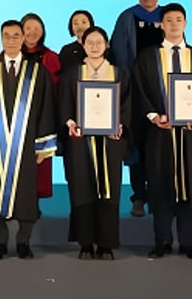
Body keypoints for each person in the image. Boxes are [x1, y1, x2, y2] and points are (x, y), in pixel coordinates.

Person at [0, 20, 57, 260]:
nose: (11, 40)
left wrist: (43, 146)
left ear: (23, 39)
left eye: (15, 35)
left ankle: (23, 242)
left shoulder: (37, 72)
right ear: (1, 39)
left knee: (27, 198)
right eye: (6, 36)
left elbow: (46, 109)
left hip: (26, 147)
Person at [133, 3, 192, 260]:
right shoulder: (147, 56)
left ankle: (189, 242)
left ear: (185, 23)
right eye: (169, 20)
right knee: (160, 184)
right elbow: (140, 90)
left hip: (191, 133)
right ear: (161, 25)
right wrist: (154, 116)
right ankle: (162, 240)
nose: (174, 24)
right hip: (160, 132)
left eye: (179, 19)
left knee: (190, 186)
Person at [60, 26, 131, 260]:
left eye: (99, 42)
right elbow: (64, 103)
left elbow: (126, 106)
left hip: (110, 142)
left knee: (108, 190)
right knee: (82, 189)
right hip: (81, 141)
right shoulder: (72, 73)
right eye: (89, 42)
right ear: (82, 45)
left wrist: (120, 125)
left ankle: (106, 243)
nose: (94, 46)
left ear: (107, 45)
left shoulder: (119, 74)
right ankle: (85, 243)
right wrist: (70, 121)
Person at [109, 0, 163, 218]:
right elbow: (119, 56)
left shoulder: (168, 16)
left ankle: (161, 196)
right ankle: (139, 196)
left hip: (162, 95)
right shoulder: (126, 18)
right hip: (135, 94)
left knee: (161, 148)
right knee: (137, 148)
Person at [21, 13, 60, 202]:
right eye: (28, 28)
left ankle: (33, 204)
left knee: (39, 165)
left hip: (42, 119)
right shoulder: (9, 55)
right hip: (15, 120)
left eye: (37, 28)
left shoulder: (51, 57)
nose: (32, 32)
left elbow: (57, 89)